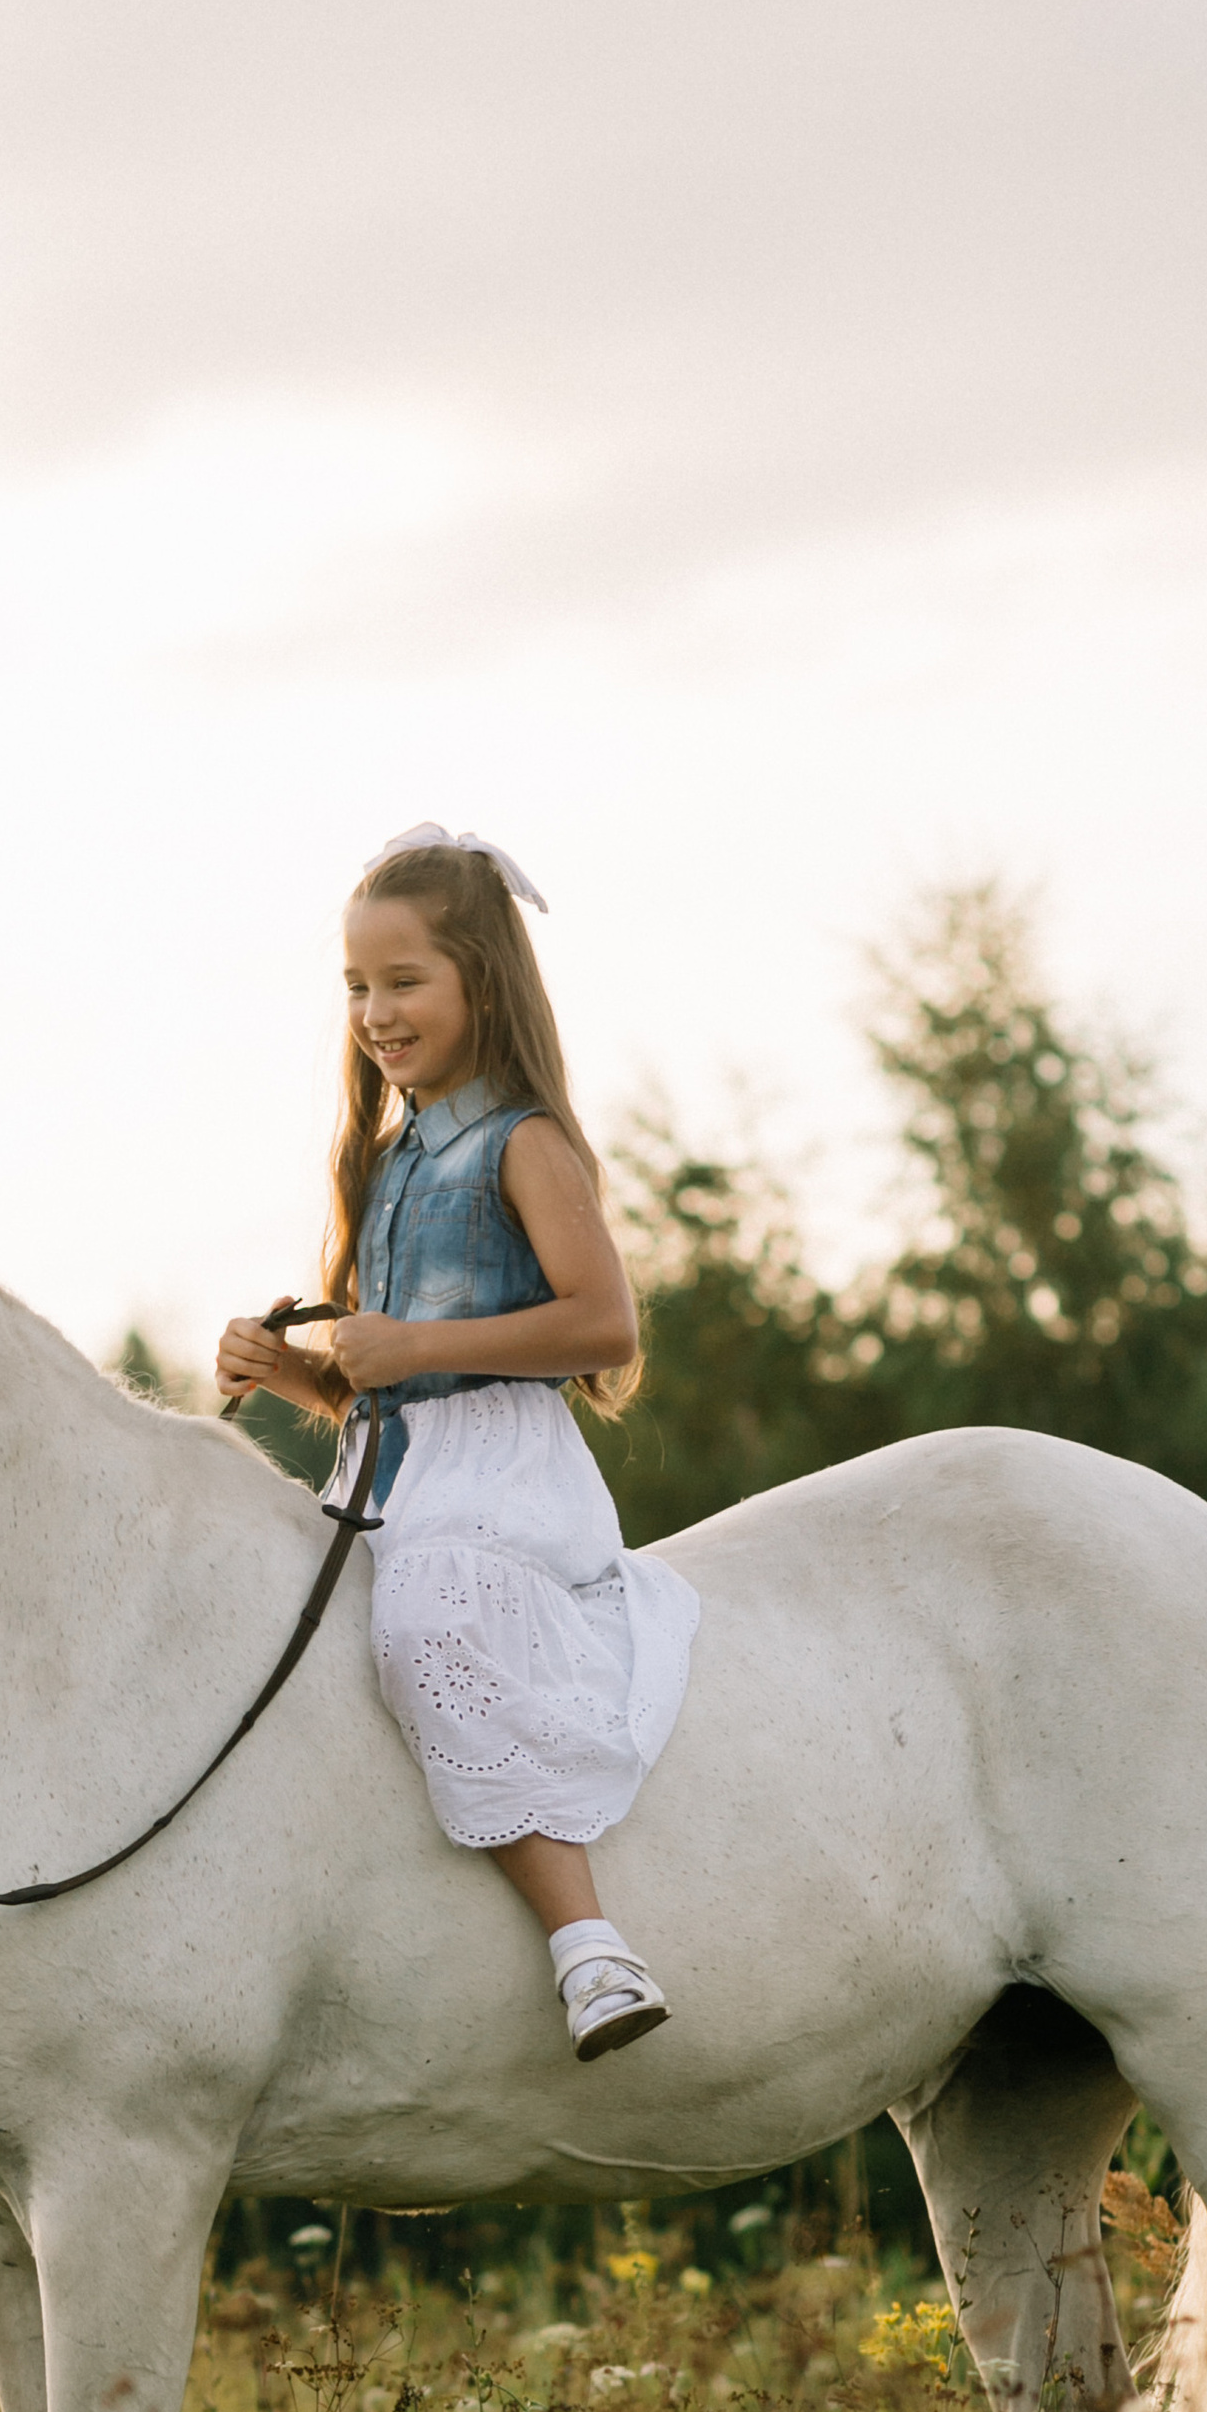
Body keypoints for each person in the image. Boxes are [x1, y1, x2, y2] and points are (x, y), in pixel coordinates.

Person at [216, 825, 699, 2059]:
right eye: (356, 988)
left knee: (430, 1612)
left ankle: (586, 1944)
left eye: (403, 981)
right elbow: (384, 1396)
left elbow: (604, 1323)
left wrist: (415, 1352)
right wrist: (302, 1376)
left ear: (481, 980)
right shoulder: (384, 1162)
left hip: (506, 1478)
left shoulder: (521, 1141)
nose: (375, 1012)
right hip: (403, 1473)